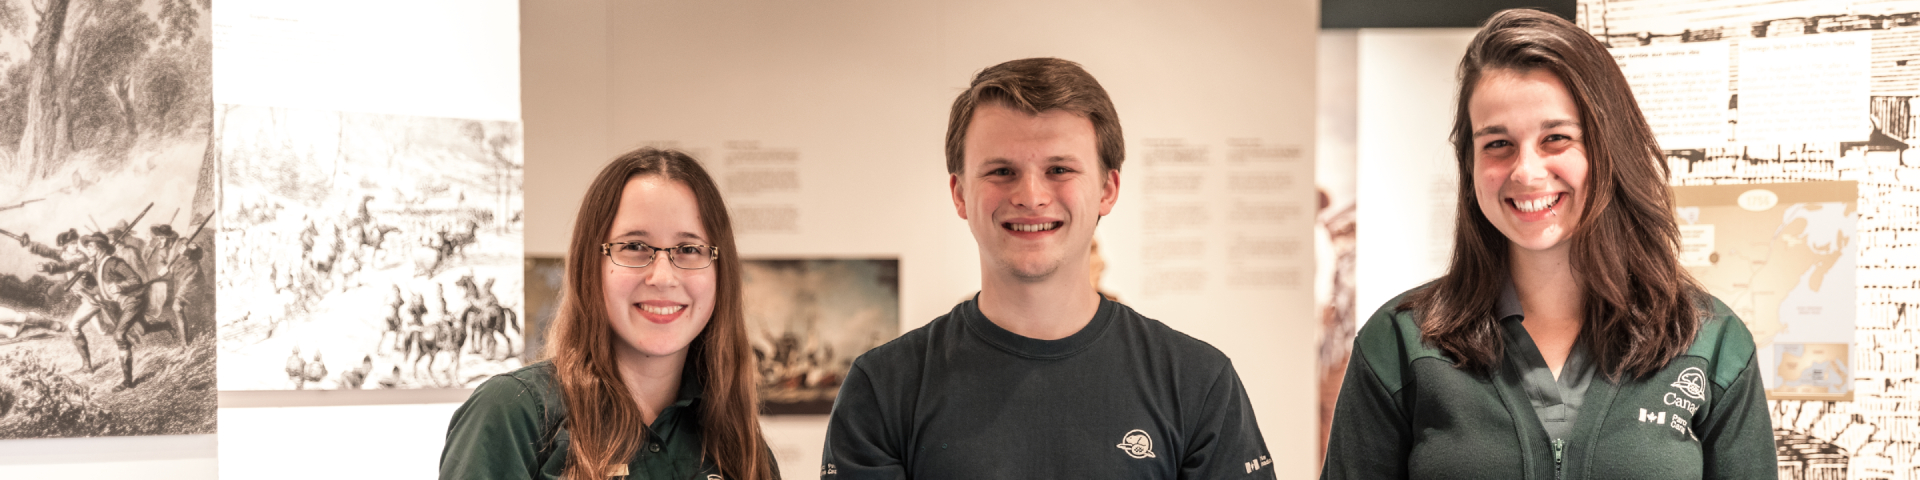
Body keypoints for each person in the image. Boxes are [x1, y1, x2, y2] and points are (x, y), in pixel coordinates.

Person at [1320, 10, 1775, 479]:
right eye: (1497, 143)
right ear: (1469, 163)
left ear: (1608, 148)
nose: (1526, 171)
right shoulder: (1400, 344)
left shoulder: (1709, 342)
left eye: (1556, 138)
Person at [821, 57, 1274, 479]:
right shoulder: (882, 389)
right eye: (1001, 171)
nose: (1031, 195)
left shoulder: (1198, 382)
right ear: (960, 193)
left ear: (1107, 189)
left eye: (1059, 169)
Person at [441, 148, 777, 480]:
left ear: (720, 271)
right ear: (592, 264)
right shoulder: (514, 415)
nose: (662, 277)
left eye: (689, 249)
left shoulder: (740, 446)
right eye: (634, 246)